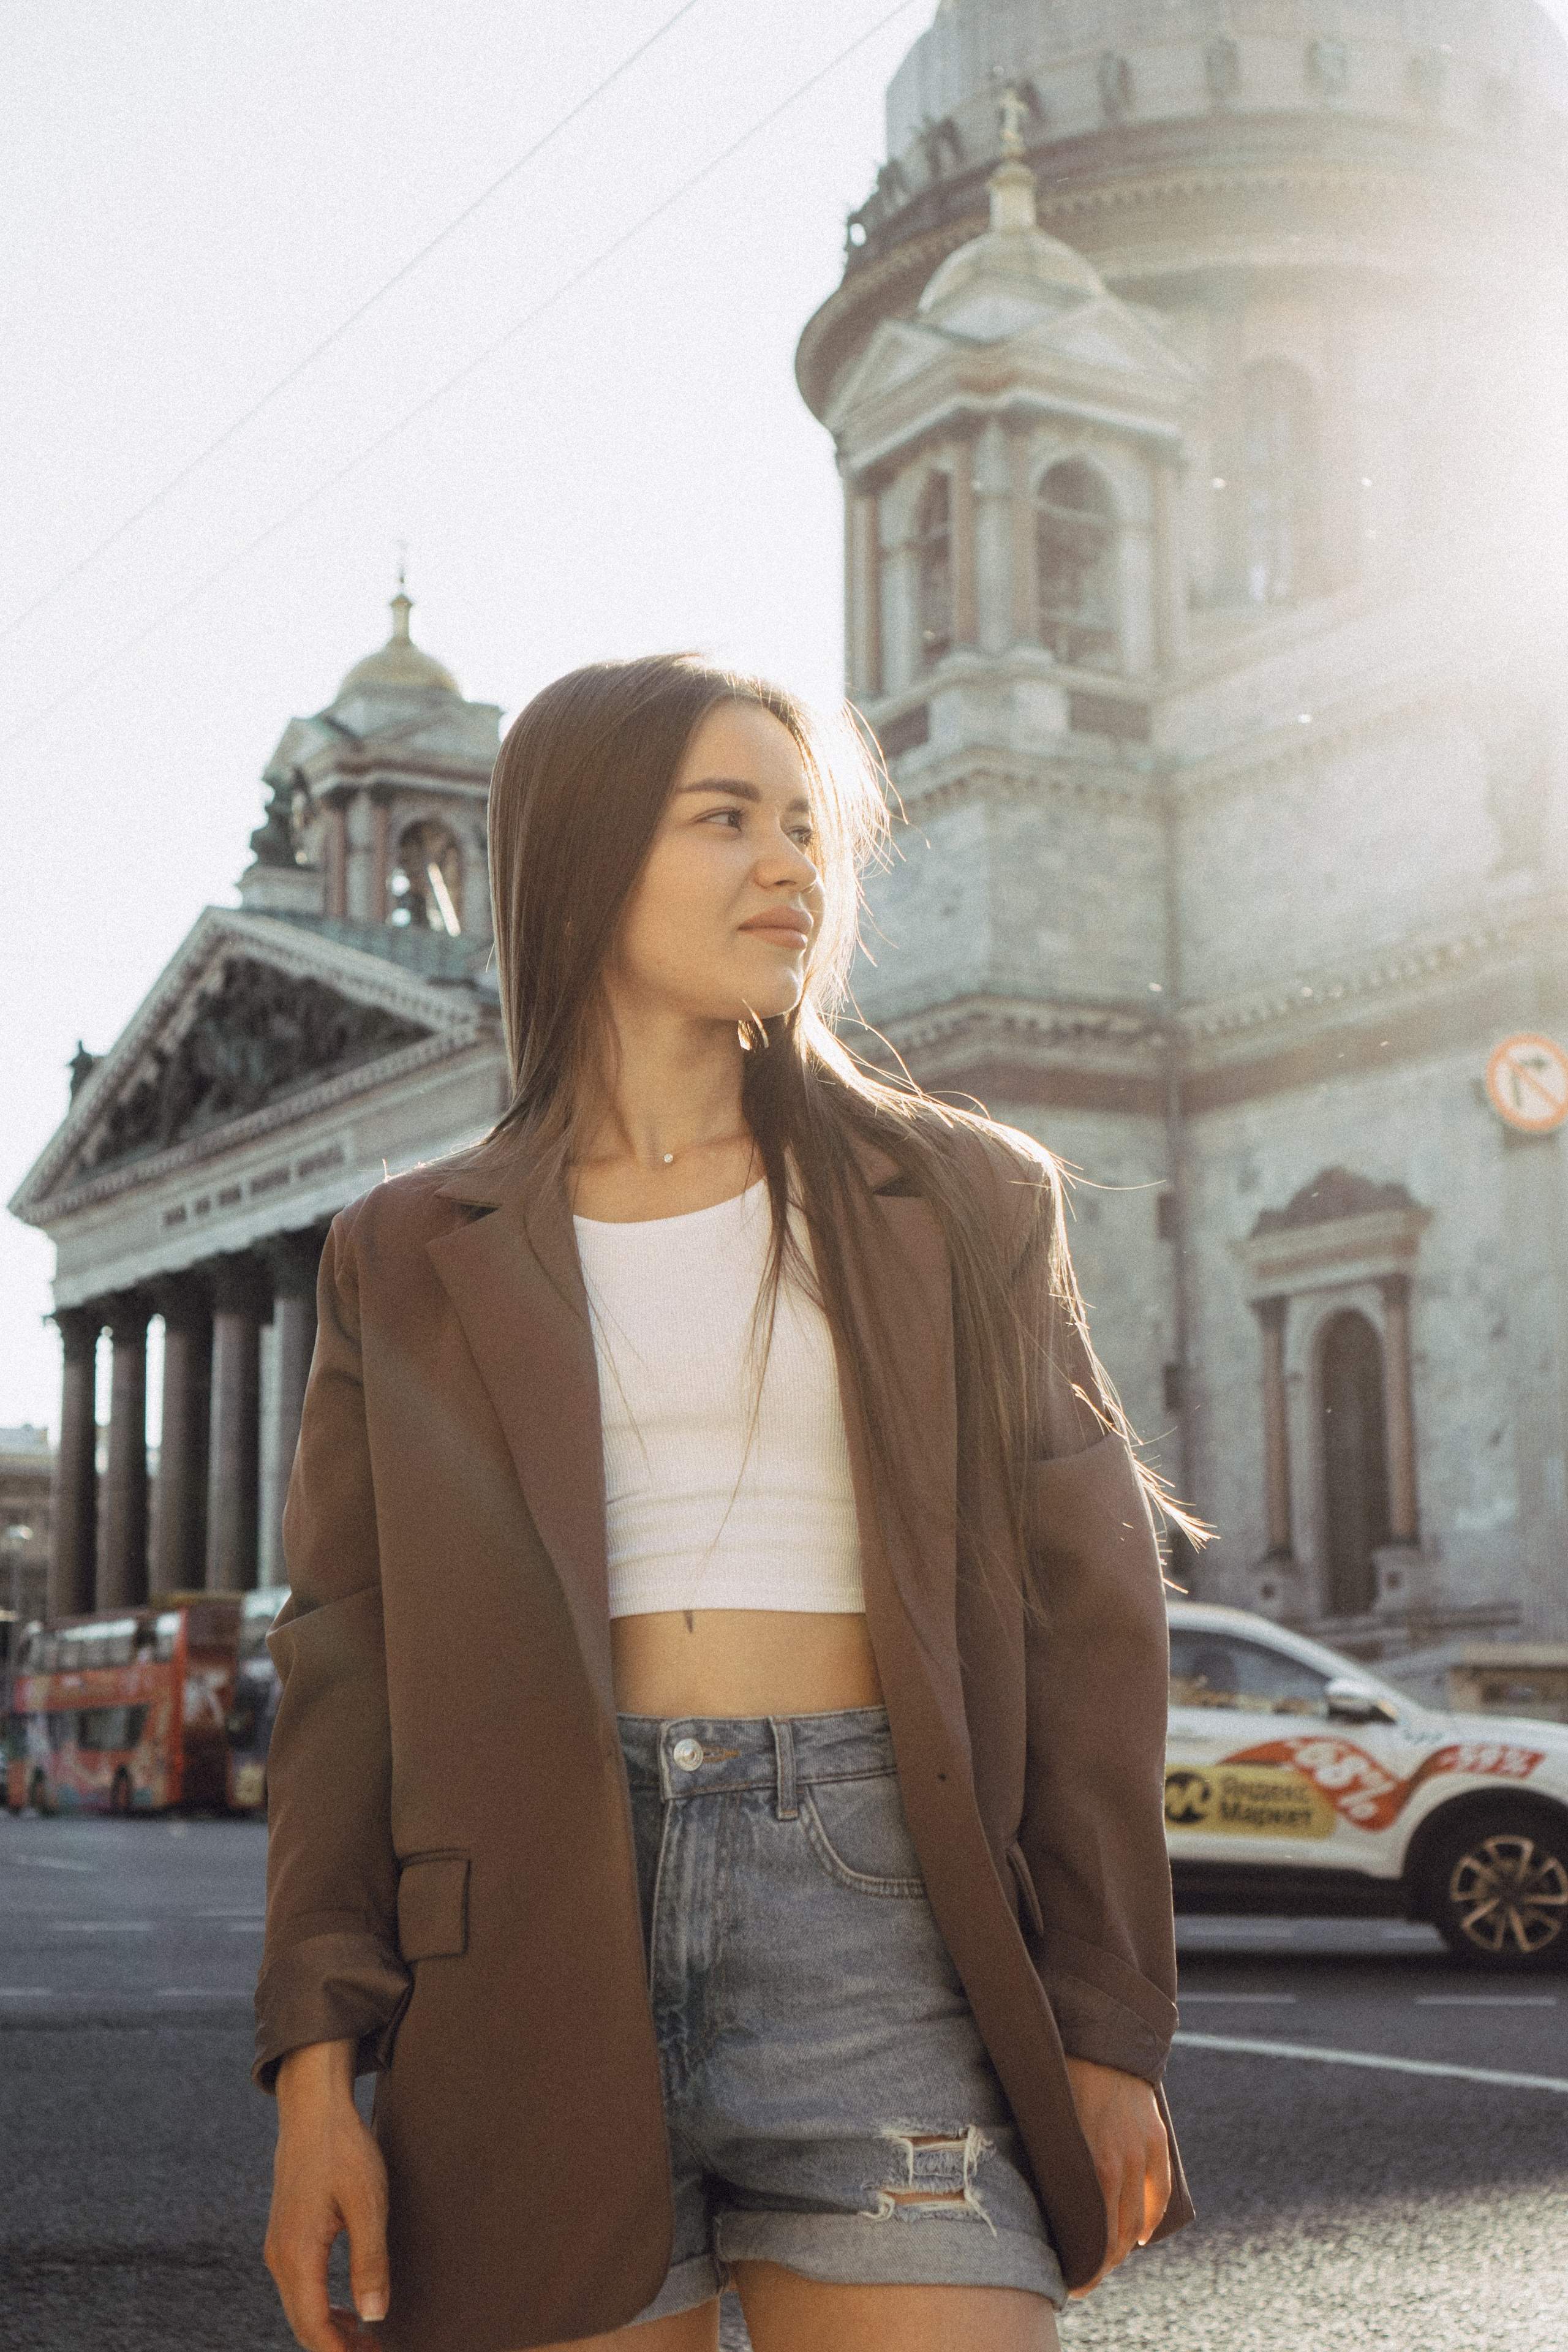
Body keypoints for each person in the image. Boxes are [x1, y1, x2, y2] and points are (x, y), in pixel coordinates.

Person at [256, 654, 1194, 2352]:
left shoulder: (963, 1198)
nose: (791, 867)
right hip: (526, 1958)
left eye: (807, 827)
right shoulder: (403, 1254)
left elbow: (1093, 1623)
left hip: (882, 1933)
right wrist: (317, 2076)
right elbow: (344, 1673)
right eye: (726, 820)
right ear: (584, 859)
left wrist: (1110, 2025)